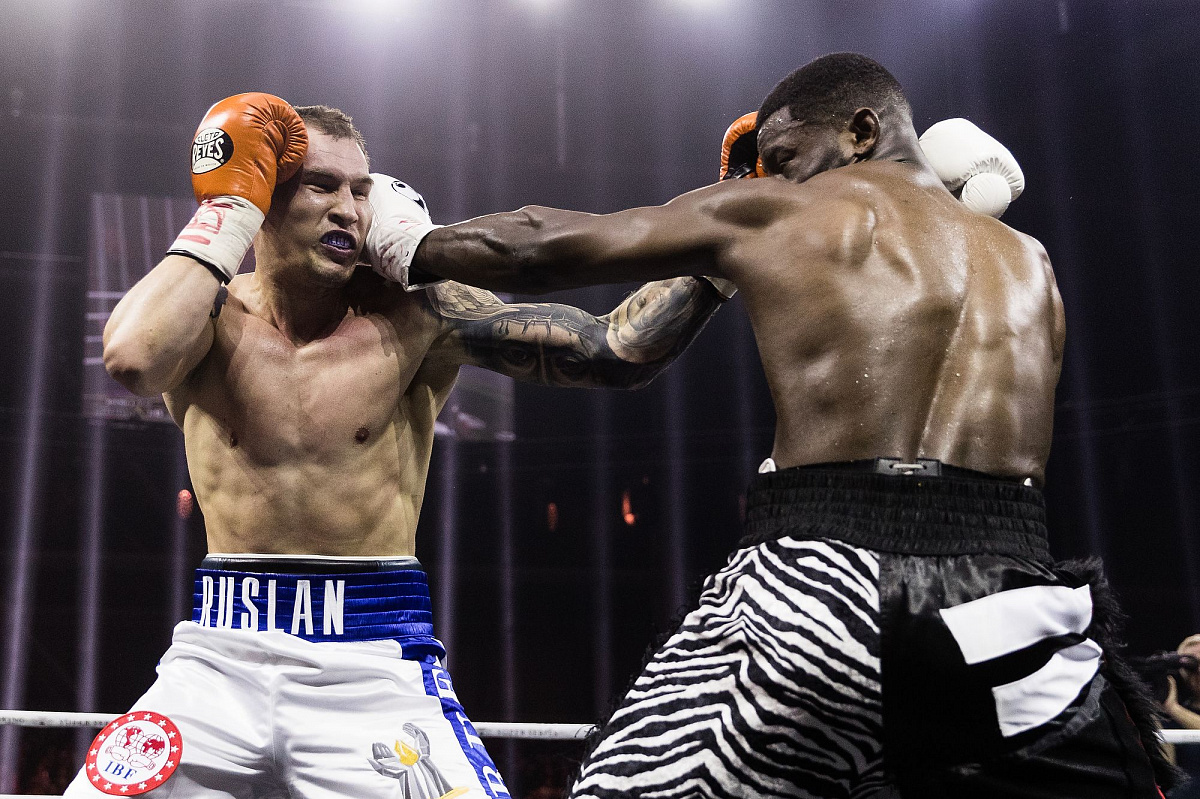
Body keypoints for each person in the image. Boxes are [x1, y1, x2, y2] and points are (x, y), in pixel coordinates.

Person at [394, 53, 1175, 798]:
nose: (777, 178)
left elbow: (537, 244)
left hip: (818, 582)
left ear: (861, 131)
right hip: (1008, 604)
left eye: (786, 156)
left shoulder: (780, 211)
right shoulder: (1031, 260)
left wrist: (402, 243)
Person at [65, 93, 731, 799]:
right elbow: (131, 359)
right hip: (216, 661)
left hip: (374, 662)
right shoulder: (206, 316)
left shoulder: (420, 314)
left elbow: (615, 349)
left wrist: (726, 238)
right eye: (322, 186)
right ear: (264, 197)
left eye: (360, 190)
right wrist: (228, 210)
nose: (348, 210)